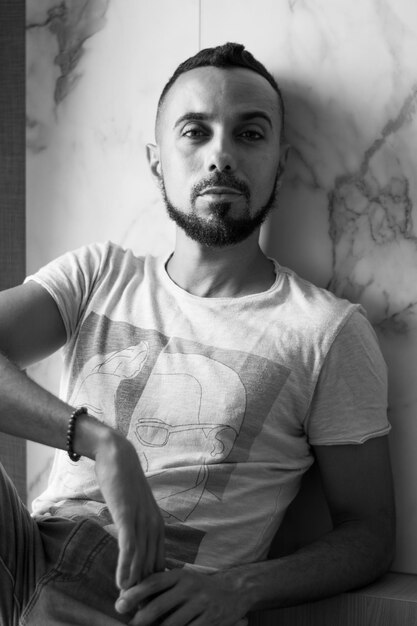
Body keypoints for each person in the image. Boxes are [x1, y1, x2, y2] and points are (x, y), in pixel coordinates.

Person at [0, 42, 395, 625]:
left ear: (280, 162)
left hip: (151, 601)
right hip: (24, 552)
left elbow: (369, 532)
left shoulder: (324, 331)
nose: (221, 156)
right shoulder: (99, 275)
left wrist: (240, 588)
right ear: (157, 159)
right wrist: (104, 446)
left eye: (249, 134)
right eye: (195, 131)